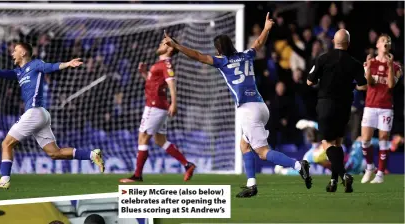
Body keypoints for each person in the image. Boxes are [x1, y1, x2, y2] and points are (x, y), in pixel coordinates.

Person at [164, 12, 312, 198]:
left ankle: (298, 165)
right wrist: (266, 28)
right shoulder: (246, 55)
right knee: (244, 144)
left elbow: (197, 56)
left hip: (247, 110)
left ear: (219, 50)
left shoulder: (222, 61)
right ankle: (251, 185)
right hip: (260, 106)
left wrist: (177, 45)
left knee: (263, 152)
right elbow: (258, 44)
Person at [0, 42, 104, 190]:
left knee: (6, 144)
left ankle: (4, 179)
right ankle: (92, 155)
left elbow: (50, 67)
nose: (12, 53)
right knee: (55, 153)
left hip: (35, 112)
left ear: (23, 53)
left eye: (15, 50)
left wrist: (67, 64)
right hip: (40, 115)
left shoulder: (35, 64)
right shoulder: (18, 72)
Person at [119, 37, 196, 183]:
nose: (159, 44)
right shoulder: (160, 64)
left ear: (170, 48)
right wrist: (144, 73)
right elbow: (153, 83)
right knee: (160, 140)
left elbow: (171, 82)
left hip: (155, 105)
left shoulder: (166, 64)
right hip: (158, 106)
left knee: (143, 137)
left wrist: (174, 103)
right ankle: (187, 165)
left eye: (162, 43)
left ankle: (137, 175)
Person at [307, 29, 367, 193]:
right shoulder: (354, 62)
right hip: (344, 106)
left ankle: (343, 174)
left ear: (334, 41)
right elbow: (363, 85)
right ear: (348, 43)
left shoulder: (323, 58)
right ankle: (333, 181)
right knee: (338, 143)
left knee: (327, 143)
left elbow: (309, 82)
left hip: (326, 104)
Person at [360, 34, 403, 184]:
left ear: (389, 47)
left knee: (384, 138)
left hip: (386, 107)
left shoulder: (397, 67)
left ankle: (380, 174)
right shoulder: (369, 63)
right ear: (377, 45)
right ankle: (370, 167)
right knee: (365, 139)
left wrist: (390, 66)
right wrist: (369, 68)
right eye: (383, 40)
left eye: (388, 42)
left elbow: (391, 85)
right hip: (370, 105)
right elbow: (370, 83)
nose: (386, 43)